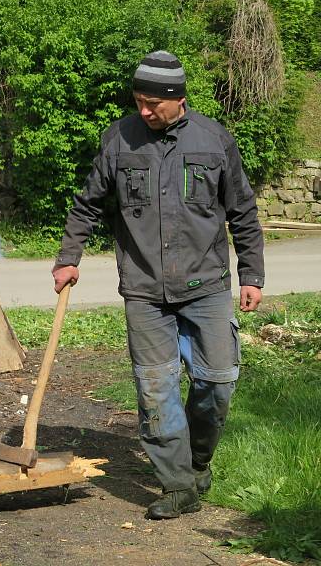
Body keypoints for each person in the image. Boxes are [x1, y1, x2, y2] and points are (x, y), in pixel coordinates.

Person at [51, 51, 265, 519]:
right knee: (155, 389)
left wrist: (252, 274)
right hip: (145, 288)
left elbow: (243, 212)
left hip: (207, 284)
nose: (144, 111)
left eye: (152, 103)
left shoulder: (214, 140)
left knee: (217, 384)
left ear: (178, 98)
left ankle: (197, 460)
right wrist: (69, 258)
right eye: (138, 101)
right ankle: (177, 484)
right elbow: (87, 203)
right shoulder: (120, 139)